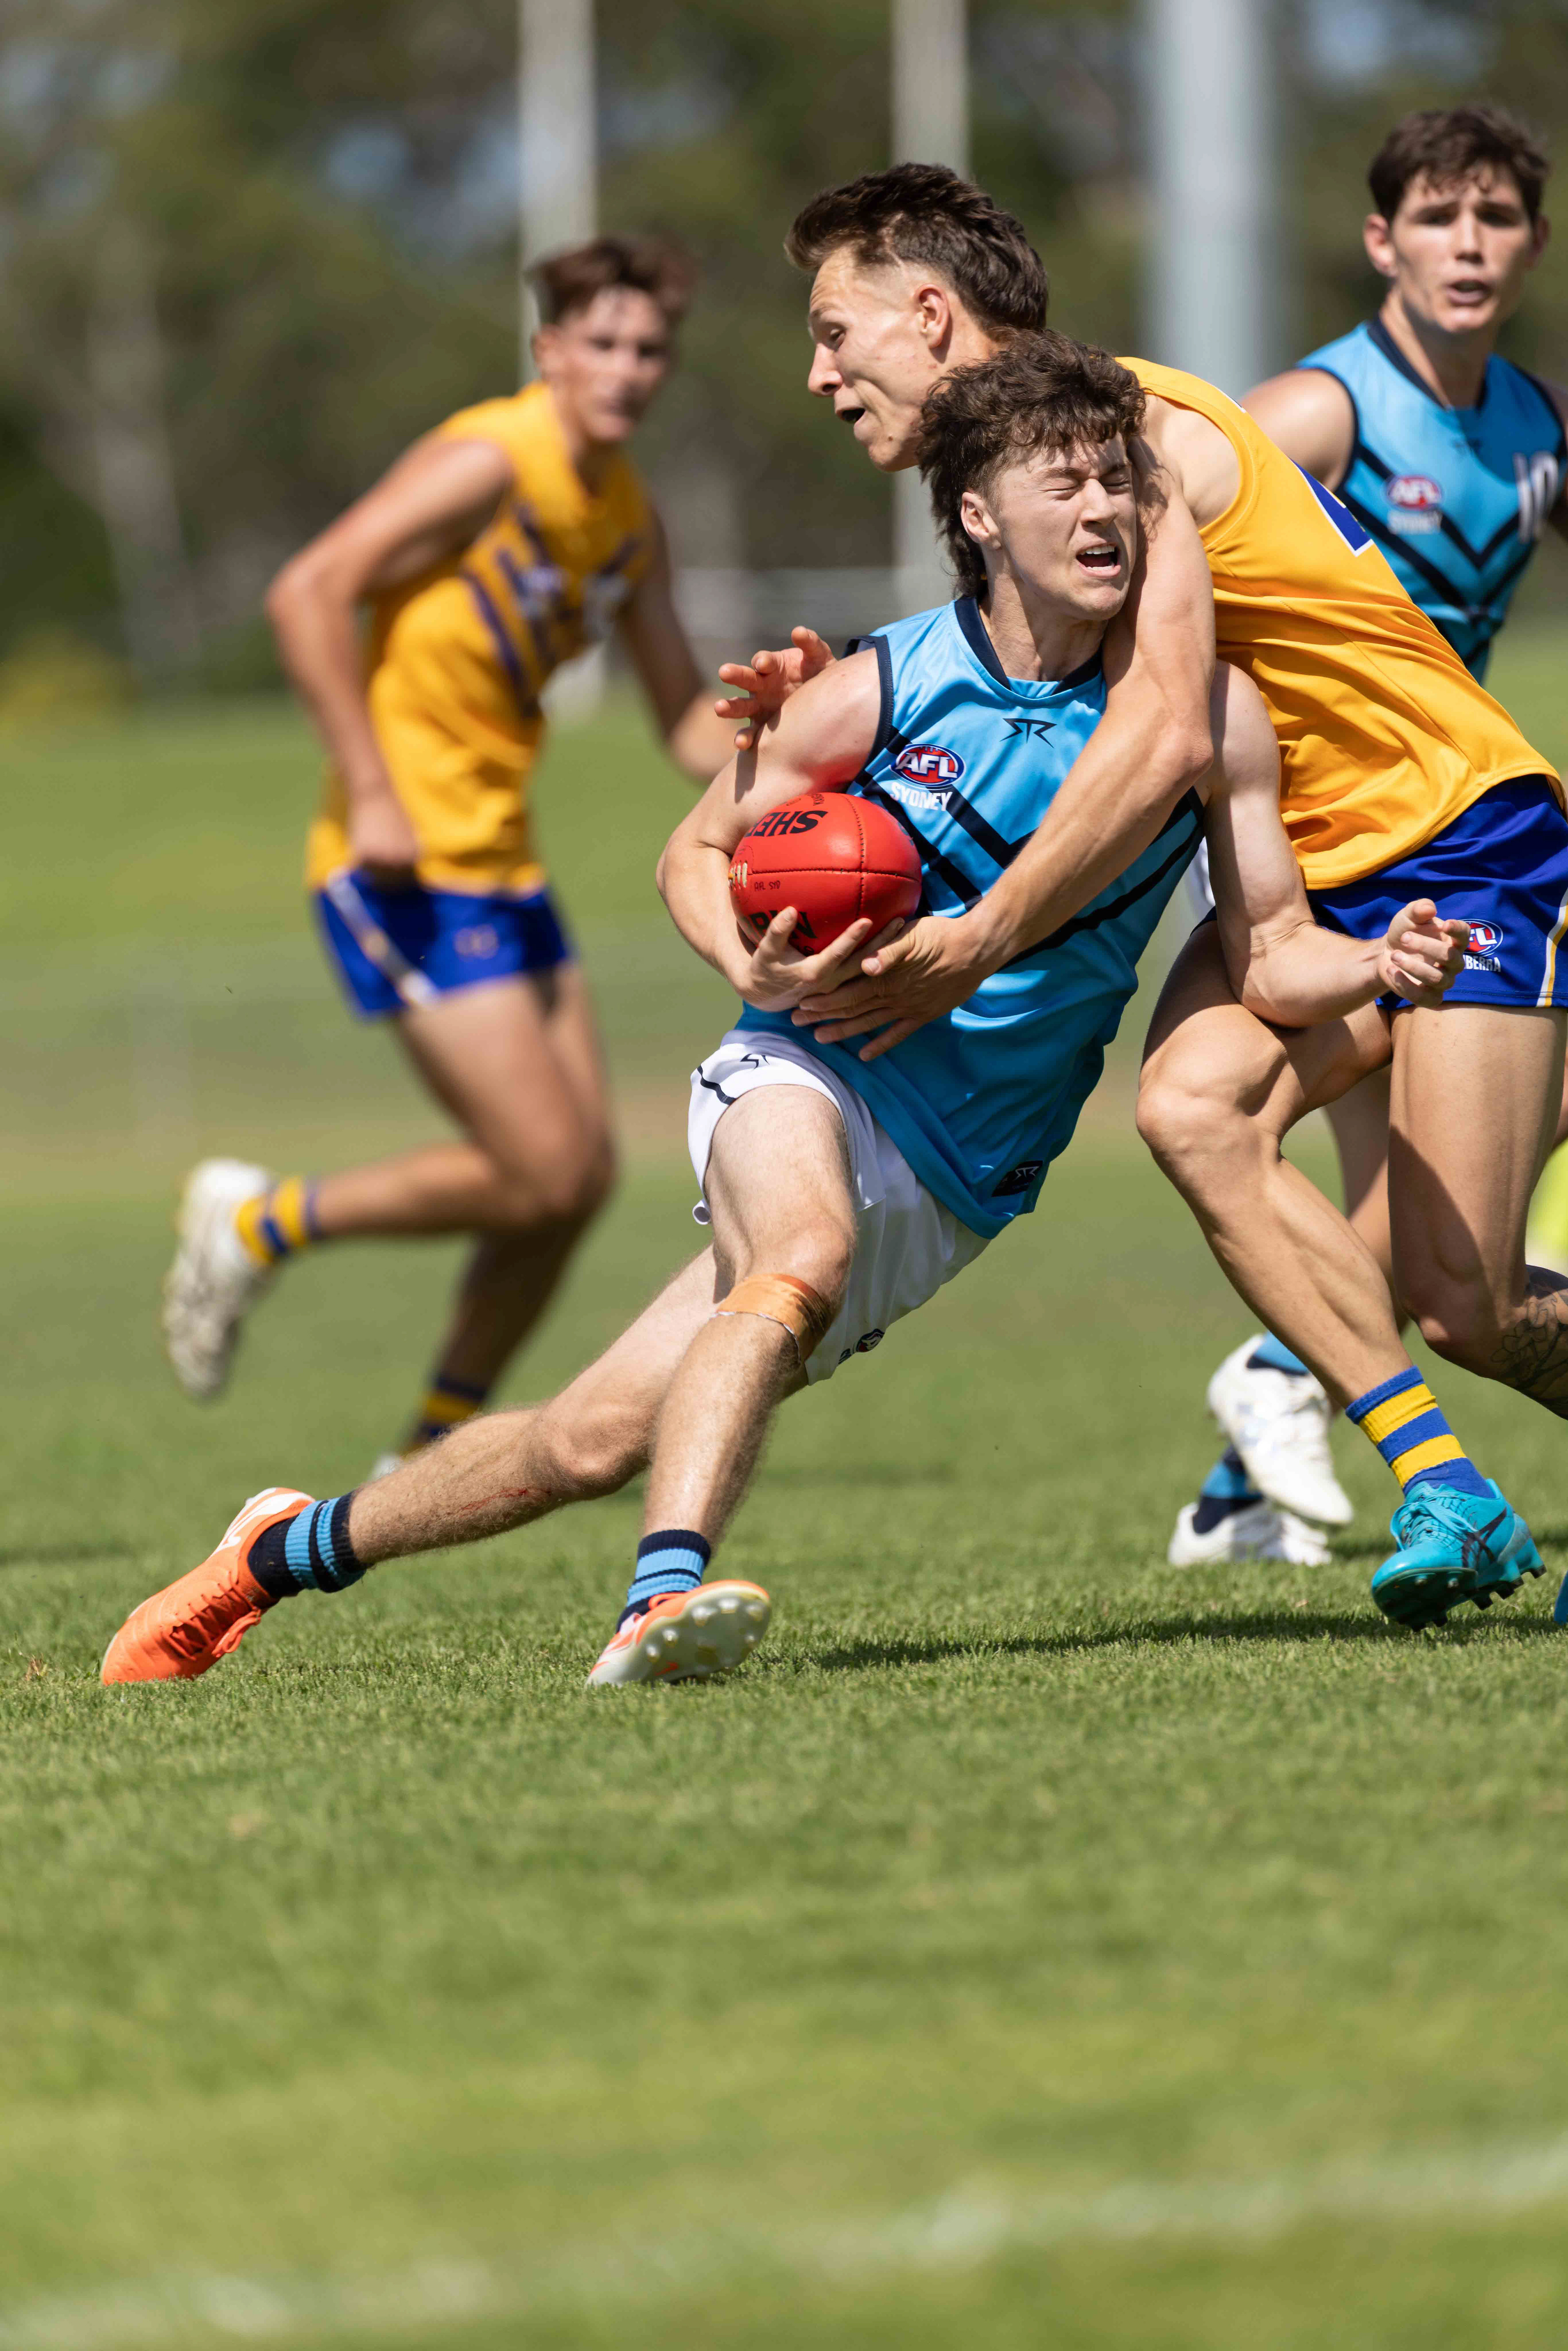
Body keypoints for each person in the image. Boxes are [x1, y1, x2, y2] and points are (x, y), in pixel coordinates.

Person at [99, 336, 1481, 1690]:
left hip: (962, 1169)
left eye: (1120, 480)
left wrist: (1383, 961)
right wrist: (747, 966)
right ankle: (661, 1601)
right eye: (1063, 484)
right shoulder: (884, 685)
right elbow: (693, 853)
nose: (1105, 510)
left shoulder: (1210, 722)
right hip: (804, 1067)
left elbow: (1275, 957)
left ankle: (277, 1551)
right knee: (800, 1253)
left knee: (586, 1442)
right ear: (978, 515)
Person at [717, 163, 1565, 1629]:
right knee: (1191, 1111)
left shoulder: (1134, 437)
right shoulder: (1026, 473)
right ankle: (1448, 1490)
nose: (820, 375)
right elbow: (1019, 688)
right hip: (1302, 879)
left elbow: (1165, 727)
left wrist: (983, 938)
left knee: (1467, 1301)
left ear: (931, 316)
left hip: (1458, 838)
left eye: (835, 332)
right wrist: (834, 700)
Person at [160, 236, 742, 1471]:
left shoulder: (628, 518)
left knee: (579, 1182)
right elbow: (308, 590)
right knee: (538, 1168)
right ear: (550, 351)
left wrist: (809, 726)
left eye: (650, 350)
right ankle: (256, 1224)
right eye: (603, 343)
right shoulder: (492, 459)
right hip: (399, 864)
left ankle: (428, 1452)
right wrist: (371, 789)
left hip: (504, 864)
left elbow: (687, 723)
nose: (628, 369)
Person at [1169, 102, 1568, 1570]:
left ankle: (1254, 1451)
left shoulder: (1539, 426)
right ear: (1380, 241)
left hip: (1453, 825)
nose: (1469, 245)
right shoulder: (1314, 415)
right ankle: (1279, 1390)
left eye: (1496, 218)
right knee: (1427, 1220)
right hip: (1320, 851)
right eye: (1438, 218)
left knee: (1427, 1206)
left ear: (1532, 242)